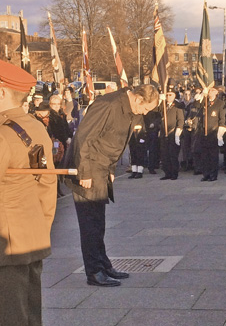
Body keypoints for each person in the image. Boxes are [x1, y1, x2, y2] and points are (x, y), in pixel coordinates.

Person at [0, 55, 56, 325]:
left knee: (7, 319)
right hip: (31, 238)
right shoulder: (35, 127)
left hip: (2, 246)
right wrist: (41, 227)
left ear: (3, 91)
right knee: (29, 318)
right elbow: (48, 183)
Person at [63, 84, 159, 287]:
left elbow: (116, 142)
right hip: (88, 168)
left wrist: (112, 170)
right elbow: (83, 137)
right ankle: (94, 271)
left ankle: (103, 265)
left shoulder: (128, 109)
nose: (145, 113)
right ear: (138, 99)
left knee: (98, 222)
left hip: (102, 168)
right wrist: (85, 172)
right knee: (90, 224)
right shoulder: (108, 104)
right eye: (145, 109)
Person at [192, 86, 226, 181]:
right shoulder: (205, 101)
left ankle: (213, 175)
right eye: (209, 90)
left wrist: (220, 133)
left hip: (213, 132)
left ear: (216, 92)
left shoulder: (220, 103)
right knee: (204, 155)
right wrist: (203, 94)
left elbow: (222, 119)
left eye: (212, 90)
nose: (210, 92)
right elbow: (196, 104)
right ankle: (206, 174)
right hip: (203, 132)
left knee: (213, 155)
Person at [159, 90, 184, 180]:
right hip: (163, 133)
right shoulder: (164, 105)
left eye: (170, 95)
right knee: (165, 155)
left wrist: (178, 132)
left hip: (172, 133)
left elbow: (180, 120)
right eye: (167, 95)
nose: (168, 96)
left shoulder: (177, 106)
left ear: (174, 96)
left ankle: (174, 173)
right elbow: (158, 113)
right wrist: (160, 101)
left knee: (172, 154)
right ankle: (167, 173)